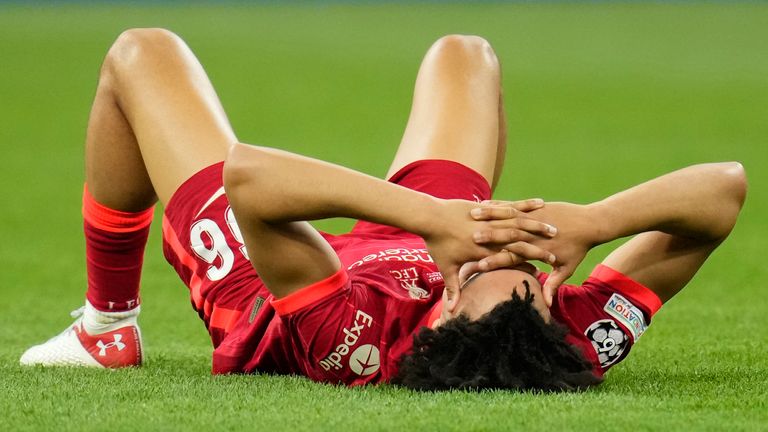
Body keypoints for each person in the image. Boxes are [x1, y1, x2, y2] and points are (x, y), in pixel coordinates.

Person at [20, 29, 746, 391]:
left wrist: (434, 221)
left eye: (494, 265)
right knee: (466, 55)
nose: (515, 253)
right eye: (529, 269)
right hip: (418, 236)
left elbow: (252, 178)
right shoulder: (569, 337)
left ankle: (106, 328)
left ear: (446, 304)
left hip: (270, 272)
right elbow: (723, 189)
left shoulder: (351, 334)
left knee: (141, 55)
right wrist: (594, 222)